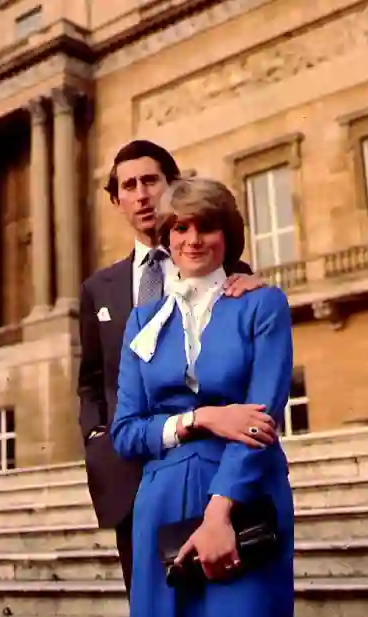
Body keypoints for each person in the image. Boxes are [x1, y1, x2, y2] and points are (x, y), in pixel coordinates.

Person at [77, 140, 278, 595]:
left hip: (214, 469)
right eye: (129, 185)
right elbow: (90, 379)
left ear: (173, 185)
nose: (142, 194)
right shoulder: (98, 289)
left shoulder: (227, 271)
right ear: (117, 199)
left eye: (151, 180)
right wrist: (96, 439)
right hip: (131, 477)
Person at [111, 176, 294, 617]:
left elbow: (261, 420)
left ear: (226, 236)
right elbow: (125, 432)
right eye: (180, 228)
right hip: (161, 503)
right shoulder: (142, 322)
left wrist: (218, 515)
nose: (192, 240)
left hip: (242, 493)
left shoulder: (260, 304)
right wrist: (201, 418)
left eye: (206, 227)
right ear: (166, 236)